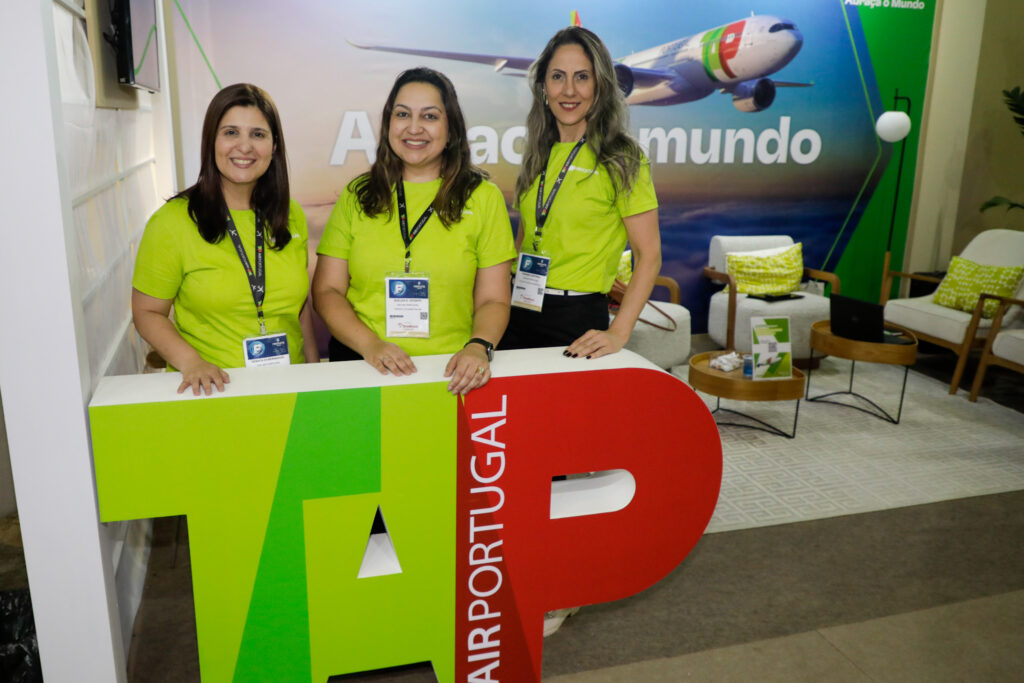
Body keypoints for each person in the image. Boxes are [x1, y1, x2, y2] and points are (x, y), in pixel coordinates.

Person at [312, 68, 515, 395]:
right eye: (402, 114)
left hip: (452, 374)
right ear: (388, 123)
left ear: (451, 128)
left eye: (430, 116)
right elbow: (327, 292)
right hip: (362, 368)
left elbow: (493, 298)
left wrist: (478, 346)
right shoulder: (358, 195)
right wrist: (371, 346)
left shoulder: (483, 197)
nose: (414, 127)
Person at [132, 83, 319, 395]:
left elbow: (300, 311)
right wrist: (191, 363)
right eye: (231, 132)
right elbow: (146, 312)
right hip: (212, 394)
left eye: (257, 134)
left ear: (274, 147)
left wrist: (315, 377)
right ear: (211, 142)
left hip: (290, 391)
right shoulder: (172, 222)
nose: (244, 146)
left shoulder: (291, 215)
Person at [500, 26, 662, 361]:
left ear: (600, 85)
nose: (569, 90)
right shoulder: (537, 153)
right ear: (543, 87)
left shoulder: (622, 157)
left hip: (575, 318)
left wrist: (619, 332)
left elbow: (649, 256)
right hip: (519, 307)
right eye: (558, 76)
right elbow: (526, 238)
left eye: (582, 77)